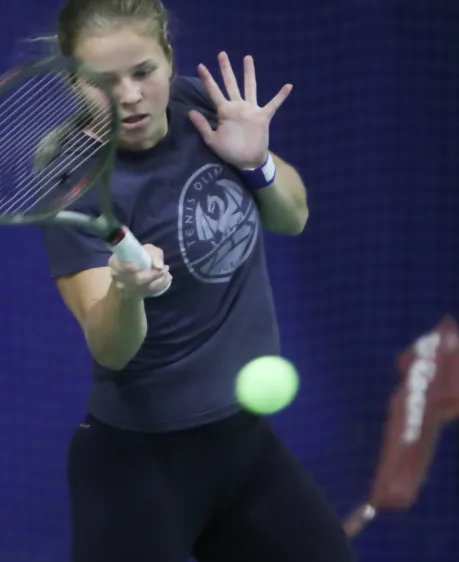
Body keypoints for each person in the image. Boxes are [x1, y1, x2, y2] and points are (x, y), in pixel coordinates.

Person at [39, 0, 356, 560]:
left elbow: (294, 216)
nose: (130, 97)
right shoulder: (75, 185)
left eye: (143, 72)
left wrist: (257, 164)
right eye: (103, 82)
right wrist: (126, 291)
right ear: (72, 84)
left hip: (243, 447)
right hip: (139, 467)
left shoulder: (199, 106)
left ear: (168, 57)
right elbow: (110, 347)